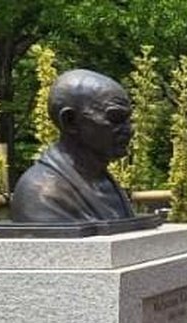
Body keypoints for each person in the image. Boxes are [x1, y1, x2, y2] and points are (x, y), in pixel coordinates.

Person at [10, 69, 136, 222]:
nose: (129, 130)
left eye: (128, 120)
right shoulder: (42, 193)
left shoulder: (105, 182)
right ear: (70, 121)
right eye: (115, 118)